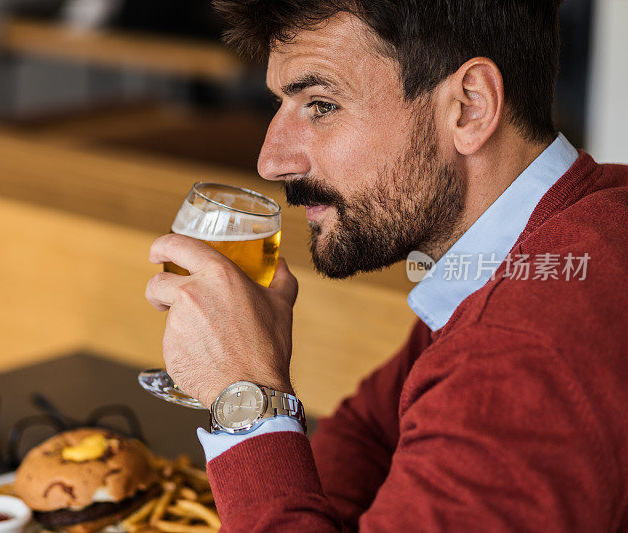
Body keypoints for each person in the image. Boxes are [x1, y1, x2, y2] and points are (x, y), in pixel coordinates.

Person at [144, 1, 628, 531]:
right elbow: (372, 430)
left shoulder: (524, 352)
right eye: (282, 104)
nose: (271, 160)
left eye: (321, 105)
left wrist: (246, 399)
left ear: (470, 107)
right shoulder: (567, 229)